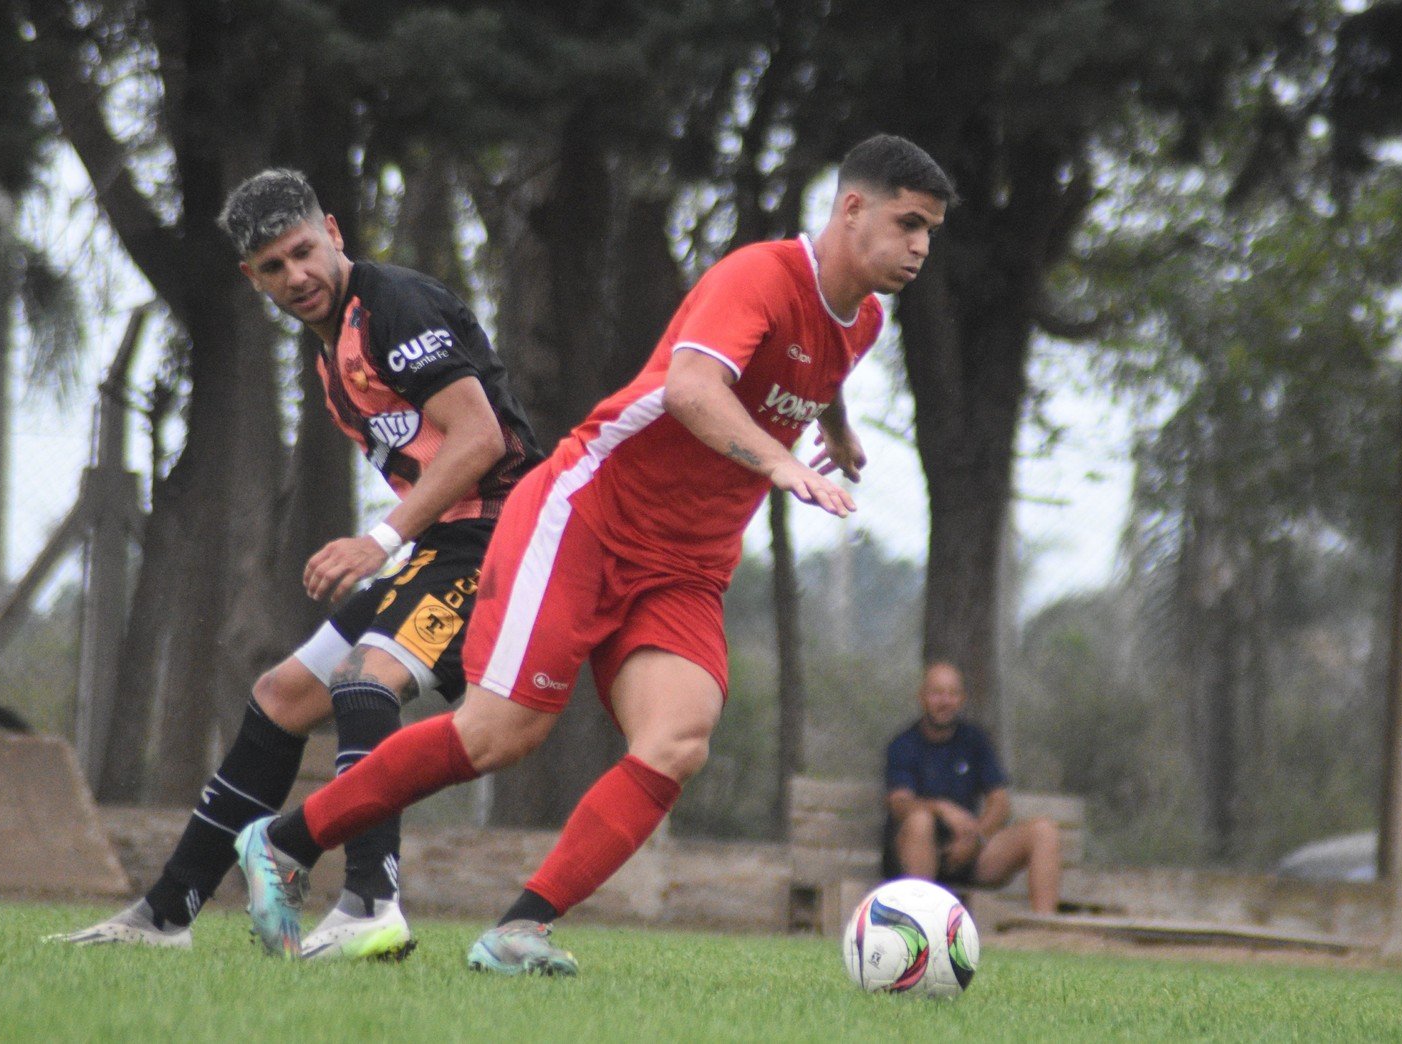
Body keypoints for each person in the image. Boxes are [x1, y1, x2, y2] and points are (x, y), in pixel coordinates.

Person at [233, 134, 958, 971]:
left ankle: (520, 928)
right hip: (588, 515)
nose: (920, 247)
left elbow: (816, 364)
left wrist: (834, 428)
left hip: (687, 565)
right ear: (852, 208)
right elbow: (691, 387)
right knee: (498, 735)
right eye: (908, 223)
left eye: (930, 231)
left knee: (678, 740)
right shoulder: (758, 275)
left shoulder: (862, 314)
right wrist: (780, 459)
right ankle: (285, 843)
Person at [47, 169, 542, 959]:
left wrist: (376, 540)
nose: (296, 276)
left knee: (363, 681)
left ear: (334, 233)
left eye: (304, 251)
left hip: (500, 535)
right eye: (273, 266)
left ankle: (372, 901)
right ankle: (166, 916)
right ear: (253, 278)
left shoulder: (394, 307)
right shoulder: (330, 349)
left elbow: (480, 440)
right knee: (280, 695)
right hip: (445, 543)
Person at [883, 661, 1062, 915]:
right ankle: (922, 926)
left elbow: (1000, 801)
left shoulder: (975, 741)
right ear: (922, 697)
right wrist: (941, 809)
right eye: (936, 693)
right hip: (915, 855)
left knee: (1043, 830)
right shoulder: (903, 745)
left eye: (952, 693)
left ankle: (1046, 934)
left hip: (968, 853)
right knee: (920, 821)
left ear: (962, 699)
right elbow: (898, 804)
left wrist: (977, 837)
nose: (945, 701)